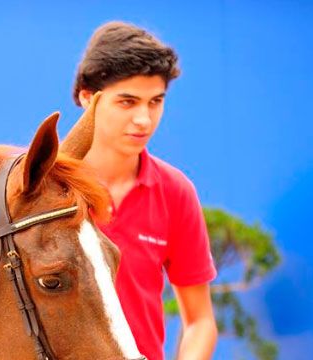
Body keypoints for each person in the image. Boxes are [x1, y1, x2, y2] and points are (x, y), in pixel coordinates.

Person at [73, 21, 218, 360]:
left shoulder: (175, 191)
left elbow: (200, 321)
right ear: (86, 98)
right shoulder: (40, 183)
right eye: (127, 102)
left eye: (155, 102)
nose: (144, 119)